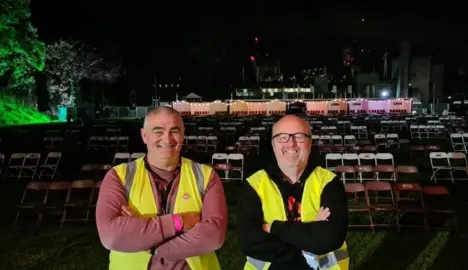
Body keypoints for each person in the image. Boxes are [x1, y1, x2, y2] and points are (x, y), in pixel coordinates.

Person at [96, 106, 227, 270]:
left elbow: (213, 237)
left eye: (174, 131)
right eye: (158, 131)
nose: (167, 139)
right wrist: (180, 222)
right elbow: (111, 237)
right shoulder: (119, 176)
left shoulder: (205, 176)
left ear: (183, 134)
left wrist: (147, 241)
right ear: (145, 136)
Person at [237, 115, 349, 270]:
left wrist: (272, 228)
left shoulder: (328, 182)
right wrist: (310, 234)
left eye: (299, 136)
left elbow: (330, 238)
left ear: (309, 143)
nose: (291, 143)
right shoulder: (254, 184)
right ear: (273, 144)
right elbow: (249, 242)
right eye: (282, 137)